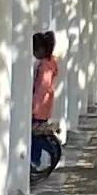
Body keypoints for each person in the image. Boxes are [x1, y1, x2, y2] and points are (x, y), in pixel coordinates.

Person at [30, 29, 63, 178]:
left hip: (39, 107)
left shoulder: (44, 67)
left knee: (34, 136)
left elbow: (41, 89)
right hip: (44, 106)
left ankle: (37, 159)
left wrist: (33, 107)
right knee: (35, 135)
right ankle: (34, 161)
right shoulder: (50, 63)